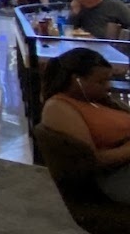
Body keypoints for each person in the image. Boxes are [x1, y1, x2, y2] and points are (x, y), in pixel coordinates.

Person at [41, 48, 130, 203]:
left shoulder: (95, 101)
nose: (108, 86)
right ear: (77, 80)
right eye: (100, 82)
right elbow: (91, 159)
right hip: (115, 176)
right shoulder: (58, 107)